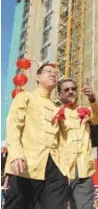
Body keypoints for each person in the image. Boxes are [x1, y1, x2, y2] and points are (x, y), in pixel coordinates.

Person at [4, 63, 68, 209]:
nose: (53, 74)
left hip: (54, 168)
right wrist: (16, 154)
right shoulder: (25, 97)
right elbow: (13, 125)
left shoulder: (57, 108)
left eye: (56, 73)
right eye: (48, 71)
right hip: (26, 165)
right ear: (38, 77)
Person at [56, 78, 98, 209]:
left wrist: (92, 97)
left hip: (83, 172)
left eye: (73, 89)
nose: (71, 92)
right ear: (59, 95)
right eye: (66, 90)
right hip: (61, 171)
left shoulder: (86, 111)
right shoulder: (55, 113)